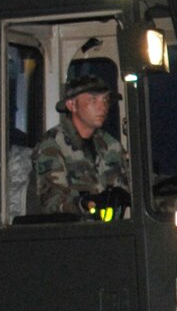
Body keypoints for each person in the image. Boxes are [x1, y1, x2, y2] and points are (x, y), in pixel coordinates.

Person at [32, 57, 130, 216]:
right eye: (93, 100)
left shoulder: (110, 144)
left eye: (105, 100)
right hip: (73, 235)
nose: (102, 106)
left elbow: (131, 185)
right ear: (72, 105)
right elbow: (51, 202)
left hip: (112, 231)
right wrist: (86, 204)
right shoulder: (52, 145)